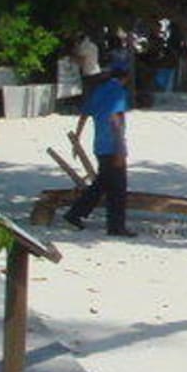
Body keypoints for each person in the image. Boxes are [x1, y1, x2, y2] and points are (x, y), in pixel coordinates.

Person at [65, 50, 136, 236]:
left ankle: (76, 214)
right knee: (117, 189)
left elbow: (84, 115)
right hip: (112, 146)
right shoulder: (118, 92)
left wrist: (77, 139)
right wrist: (120, 149)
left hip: (99, 145)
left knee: (103, 184)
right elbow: (115, 120)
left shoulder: (100, 90)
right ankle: (115, 226)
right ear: (126, 76)